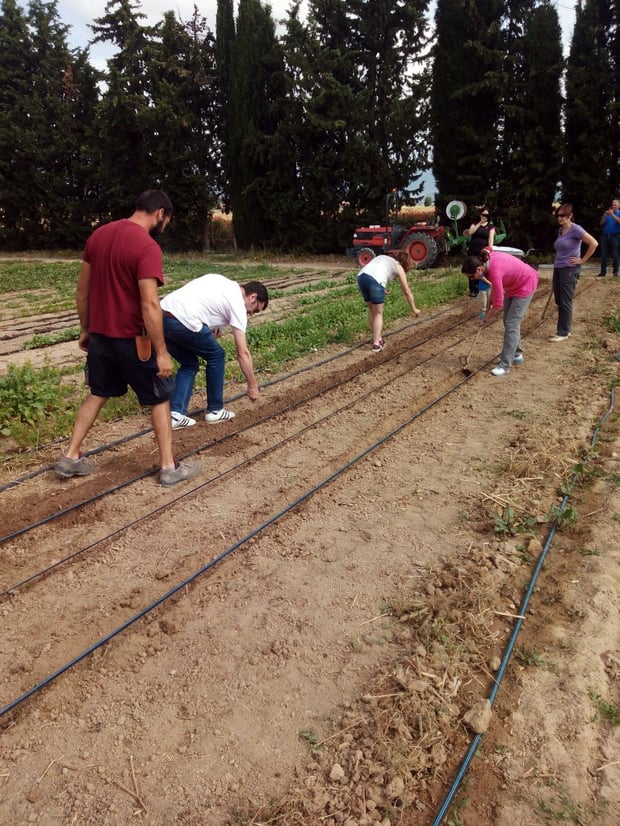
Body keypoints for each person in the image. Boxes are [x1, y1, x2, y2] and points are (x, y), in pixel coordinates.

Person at [54, 190, 200, 487]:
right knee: (160, 398)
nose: (164, 227)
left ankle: (70, 457)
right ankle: (169, 467)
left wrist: (86, 329)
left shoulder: (98, 236)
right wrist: (161, 352)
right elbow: (149, 304)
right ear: (160, 213)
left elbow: (82, 291)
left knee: (98, 392)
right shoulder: (146, 246)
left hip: (100, 338)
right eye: (166, 221)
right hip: (134, 341)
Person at [161, 276, 268, 428]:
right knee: (217, 355)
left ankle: (175, 414)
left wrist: (210, 331)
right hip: (183, 320)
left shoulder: (224, 284)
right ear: (252, 297)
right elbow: (242, 352)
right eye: (255, 310)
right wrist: (252, 385)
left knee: (189, 363)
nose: (250, 314)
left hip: (160, 317)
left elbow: (206, 313)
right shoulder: (237, 302)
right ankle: (215, 410)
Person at [461, 248, 538, 377]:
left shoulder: (495, 271)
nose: (472, 279)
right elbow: (496, 292)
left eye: (472, 276)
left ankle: (505, 365)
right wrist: (490, 301)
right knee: (508, 321)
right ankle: (517, 354)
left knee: (512, 323)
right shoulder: (487, 262)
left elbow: (498, 305)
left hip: (526, 283)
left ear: (479, 269)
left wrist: (485, 320)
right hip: (513, 286)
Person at [356, 250, 420, 352]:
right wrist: (414, 309)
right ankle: (376, 344)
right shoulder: (398, 266)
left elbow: (374, 272)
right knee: (378, 313)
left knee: (373, 311)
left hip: (361, 278)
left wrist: (381, 289)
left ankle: (379, 338)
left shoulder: (383, 257)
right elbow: (407, 292)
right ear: (405, 263)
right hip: (375, 281)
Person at [550, 203, 598, 342]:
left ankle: (563, 332)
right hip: (558, 267)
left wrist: (582, 260)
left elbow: (594, 243)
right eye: (558, 215)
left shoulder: (576, 229)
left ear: (570, 216)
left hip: (569, 268)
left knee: (565, 300)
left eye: (562, 215)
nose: (559, 218)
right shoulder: (560, 231)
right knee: (559, 299)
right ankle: (563, 329)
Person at [463, 206, 496, 297]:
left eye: (486, 215)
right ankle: (473, 290)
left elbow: (491, 239)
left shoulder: (490, 227)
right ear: (480, 214)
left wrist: (490, 250)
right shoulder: (475, 223)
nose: (484, 216)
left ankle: (482, 288)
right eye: (483, 214)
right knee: (471, 269)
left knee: (481, 270)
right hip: (472, 251)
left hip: (482, 253)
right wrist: (479, 223)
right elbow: (470, 232)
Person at [596, 198, 620, 278]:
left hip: (615, 237)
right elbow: (601, 223)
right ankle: (603, 272)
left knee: (615, 255)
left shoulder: (619, 213)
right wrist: (605, 215)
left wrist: (612, 214)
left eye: (616, 205)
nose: (614, 206)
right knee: (603, 255)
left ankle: (615, 272)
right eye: (613, 205)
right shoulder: (607, 214)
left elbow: (619, 221)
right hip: (605, 237)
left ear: (619, 206)